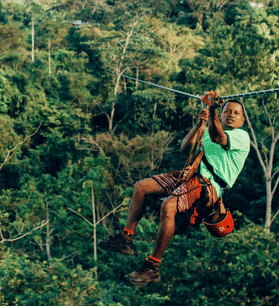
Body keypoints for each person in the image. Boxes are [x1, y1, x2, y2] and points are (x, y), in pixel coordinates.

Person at [98, 90, 250, 286]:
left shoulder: (241, 136)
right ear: (221, 115)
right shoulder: (211, 128)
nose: (231, 114)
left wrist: (212, 108)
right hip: (189, 175)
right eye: (227, 111)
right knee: (141, 187)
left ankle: (153, 266)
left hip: (207, 185)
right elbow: (186, 148)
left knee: (168, 207)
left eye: (236, 113)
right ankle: (125, 238)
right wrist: (199, 124)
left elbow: (219, 137)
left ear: (242, 119)